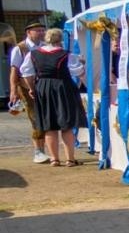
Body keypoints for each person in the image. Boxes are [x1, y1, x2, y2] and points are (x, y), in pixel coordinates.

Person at [21, 28, 88, 167]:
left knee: (49, 124)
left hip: (43, 88)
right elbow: (79, 71)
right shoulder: (66, 55)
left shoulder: (33, 54)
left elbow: (26, 73)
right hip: (63, 86)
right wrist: (89, 84)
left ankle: (54, 159)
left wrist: (32, 88)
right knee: (66, 124)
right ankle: (70, 159)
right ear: (60, 40)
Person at [8, 20, 48, 163]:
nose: (41, 33)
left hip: (44, 86)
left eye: (42, 30)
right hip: (26, 88)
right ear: (28, 32)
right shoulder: (20, 48)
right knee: (36, 118)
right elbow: (14, 70)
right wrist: (13, 91)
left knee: (46, 117)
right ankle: (38, 151)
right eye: (37, 30)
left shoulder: (46, 46)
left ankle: (45, 149)